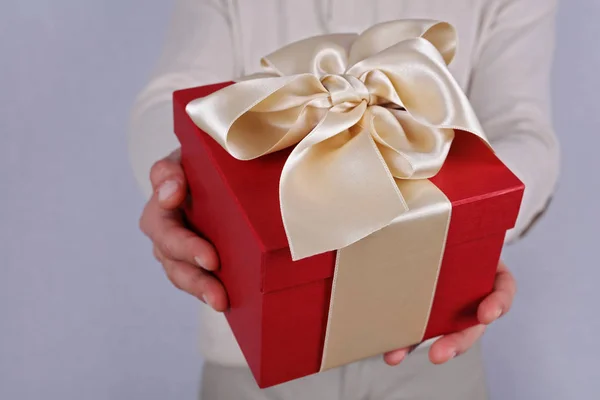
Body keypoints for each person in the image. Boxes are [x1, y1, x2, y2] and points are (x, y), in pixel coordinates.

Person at [129, 0, 560, 399]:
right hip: (251, 352)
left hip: (433, 347)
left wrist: (464, 227)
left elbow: (524, 132)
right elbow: (175, 100)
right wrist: (178, 188)